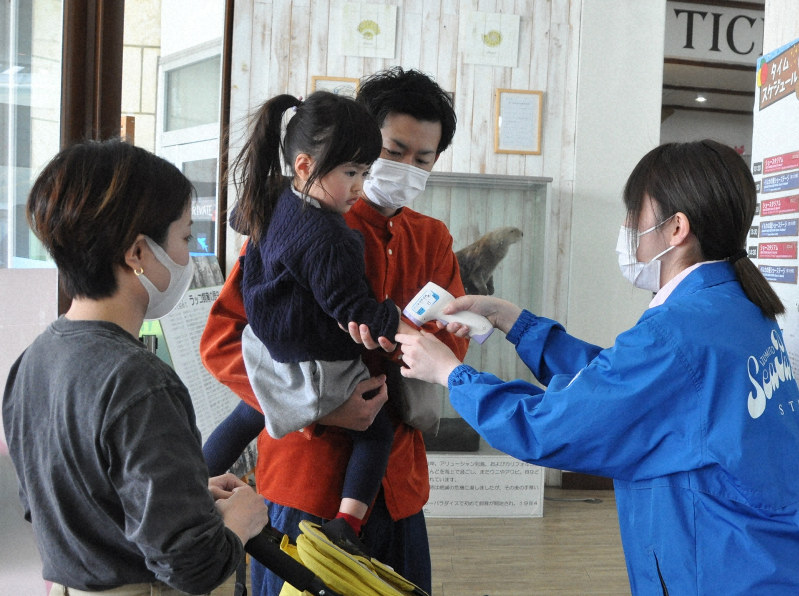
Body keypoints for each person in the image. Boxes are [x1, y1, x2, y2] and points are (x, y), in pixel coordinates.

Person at [393, 140, 799, 595]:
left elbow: (551, 427)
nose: (627, 227)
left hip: (723, 568)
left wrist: (450, 373)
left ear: (676, 228)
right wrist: (512, 320)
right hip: (762, 553)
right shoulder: (736, 306)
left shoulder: (679, 329)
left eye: (635, 214)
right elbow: (620, 385)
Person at [200, 67, 469, 595]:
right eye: (393, 150)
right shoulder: (296, 222)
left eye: (423, 159)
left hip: (399, 488)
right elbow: (225, 340)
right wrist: (314, 405)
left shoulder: (432, 237)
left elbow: (452, 342)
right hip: (304, 482)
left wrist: (422, 342)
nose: (406, 168)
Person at [2, 139, 270, 596]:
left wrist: (182, 495)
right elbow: (194, 568)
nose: (189, 257)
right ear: (138, 253)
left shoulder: (33, 360)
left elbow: (59, 505)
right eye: (185, 238)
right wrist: (240, 524)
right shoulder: (140, 381)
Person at [231, 89, 421, 556]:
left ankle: (197, 478)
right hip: (314, 380)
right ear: (304, 166)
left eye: (425, 158)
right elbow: (350, 307)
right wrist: (396, 325)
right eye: (354, 172)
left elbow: (240, 219)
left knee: (250, 411)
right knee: (375, 431)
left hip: (264, 345)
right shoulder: (334, 236)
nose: (361, 186)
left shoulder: (270, 196)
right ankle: (346, 525)